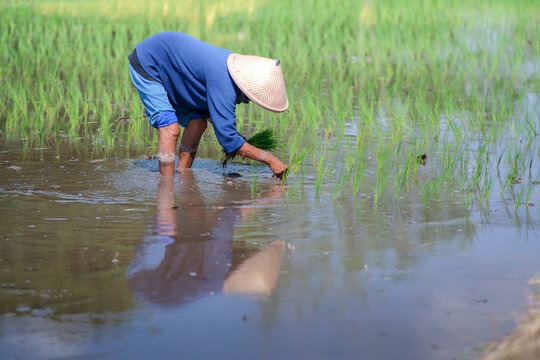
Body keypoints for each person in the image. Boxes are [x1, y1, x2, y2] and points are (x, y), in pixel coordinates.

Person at [128, 32, 289, 178]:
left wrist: (235, 138)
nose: (249, 100)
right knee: (170, 128)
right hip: (149, 61)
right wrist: (270, 160)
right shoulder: (225, 81)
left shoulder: (231, 72)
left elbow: (218, 120)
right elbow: (229, 140)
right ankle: (167, 187)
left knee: (198, 122)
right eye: (252, 97)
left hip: (177, 71)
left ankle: (182, 176)